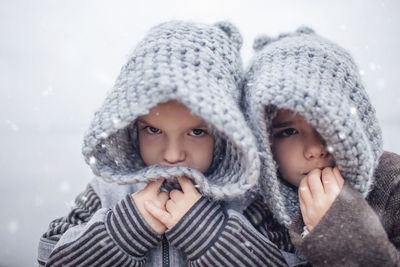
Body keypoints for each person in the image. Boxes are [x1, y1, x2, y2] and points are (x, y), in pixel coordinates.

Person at [37, 21, 289, 266]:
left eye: (197, 132)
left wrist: (208, 235)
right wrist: (122, 232)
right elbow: (48, 254)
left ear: (225, 136)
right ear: (131, 128)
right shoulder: (107, 191)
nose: (172, 155)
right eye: (153, 129)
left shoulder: (245, 200)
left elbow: (288, 260)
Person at [242, 27, 400, 265]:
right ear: (263, 140)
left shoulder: (391, 184)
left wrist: (344, 238)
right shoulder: (253, 208)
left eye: (327, 124)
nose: (315, 149)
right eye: (288, 131)